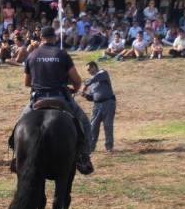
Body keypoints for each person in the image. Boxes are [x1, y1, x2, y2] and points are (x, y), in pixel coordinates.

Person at [13, 26, 94, 175]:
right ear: (55, 38)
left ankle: (16, 155)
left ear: (41, 38)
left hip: (38, 98)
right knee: (85, 124)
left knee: (19, 125)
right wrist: (74, 89)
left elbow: (26, 82)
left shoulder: (32, 55)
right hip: (60, 97)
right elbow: (76, 81)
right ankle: (84, 156)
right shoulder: (62, 54)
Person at [82, 62, 116, 153]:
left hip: (108, 103)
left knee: (108, 125)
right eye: (87, 70)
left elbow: (94, 78)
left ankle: (109, 147)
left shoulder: (103, 73)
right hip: (96, 105)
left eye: (89, 69)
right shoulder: (92, 81)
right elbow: (92, 97)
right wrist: (86, 95)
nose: (88, 71)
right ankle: (91, 147)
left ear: (94, 67)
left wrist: (85, 85)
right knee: (93, 126)